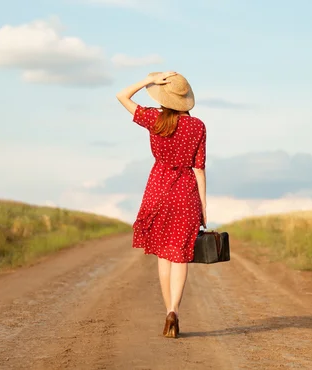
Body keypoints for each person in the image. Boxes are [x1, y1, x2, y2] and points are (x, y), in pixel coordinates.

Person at [116, 71, 207, 338]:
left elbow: (121, 95)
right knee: (181, 255)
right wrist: (203, 209)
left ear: (163, 97)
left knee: (163, 255)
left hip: (158, 190)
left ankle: (167, 309)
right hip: (186, 194)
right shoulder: (198, 126)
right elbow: (199, 170)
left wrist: (149, 79)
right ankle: (174, 311)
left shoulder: (154, 119)